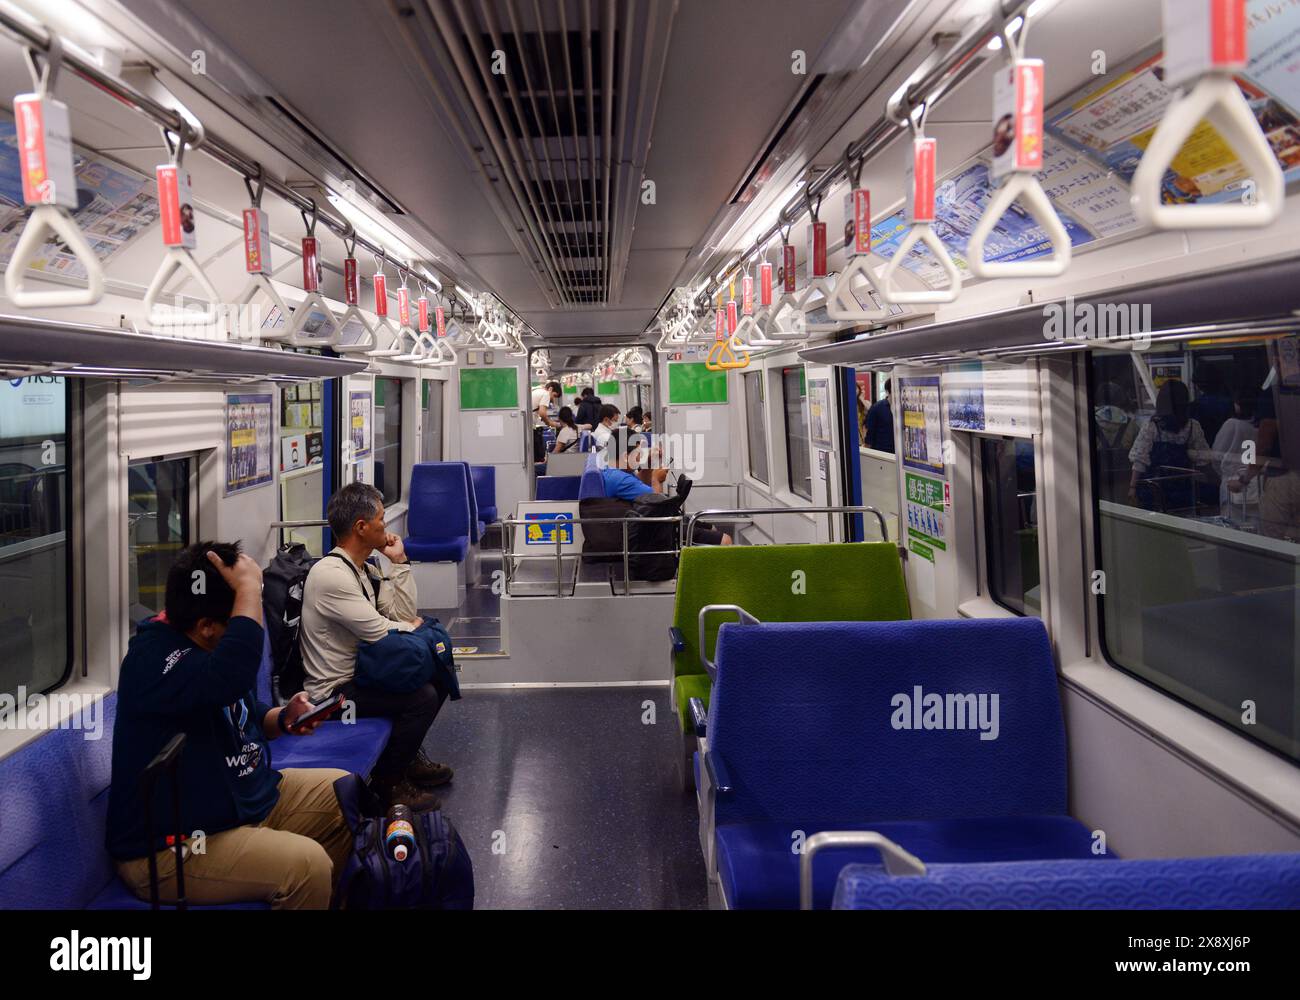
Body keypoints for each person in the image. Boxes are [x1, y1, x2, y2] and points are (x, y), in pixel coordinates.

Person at [107, 542, 351, 910]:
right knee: (306, 865)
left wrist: (283, 720)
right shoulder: (154, 662)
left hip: (241, 805)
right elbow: (231, 676)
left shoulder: (205, 649)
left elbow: (247, 715)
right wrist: (249, 588)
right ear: (206, 627)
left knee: (344, 794)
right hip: (172, 847)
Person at [301, 482, 450, 810]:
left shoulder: (364, 569)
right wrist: (410, 628)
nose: (386, 526)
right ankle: (389, 782)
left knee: (437, 674)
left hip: (364, 675)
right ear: (361, 527)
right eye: (382, 519)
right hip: (333, 693)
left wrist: (398, 563)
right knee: (420, 697)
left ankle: (407, 759)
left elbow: (402, 613)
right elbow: (380, 631)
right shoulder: (331, 576)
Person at [602, 430, 731, 545]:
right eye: (637, 453)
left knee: (711, 528)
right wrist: (656, 480)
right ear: (625, 456)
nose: (639, 457)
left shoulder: (615, 473)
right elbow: (657, 505)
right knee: (725, 540)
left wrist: (649, 464)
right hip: (654, 530)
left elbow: (640, 483)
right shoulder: (620, 480)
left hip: (649, 526)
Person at [1127, 379, 1212, 513]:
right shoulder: (1192, 426)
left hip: (1154, 489)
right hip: (1183, 489)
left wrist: (1132, 487)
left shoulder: (1152, 426)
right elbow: (1204, 459)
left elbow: (1139, 460)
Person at [1212, 392, 1259, 523]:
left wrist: (1222, 474)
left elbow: (1216, 455)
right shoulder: (1261, 426)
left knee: (1231, 528)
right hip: (1256, 486)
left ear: (1237, 405)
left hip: (1231, 484)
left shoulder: (1231, 424)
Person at [866, 378, 895, 454]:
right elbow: (870, 433)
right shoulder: (877, 408)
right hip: (882, 453)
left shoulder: (903, 408)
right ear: (888, 391)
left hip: (899, 453)